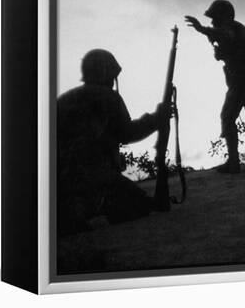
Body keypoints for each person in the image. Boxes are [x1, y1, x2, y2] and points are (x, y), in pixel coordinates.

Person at [57, 49, 169, 236]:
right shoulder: (108, 97)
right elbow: (127, 133)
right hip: (97, 179)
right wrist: (156, 119)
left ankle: (72, 212)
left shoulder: (63, 100)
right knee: (138, 206)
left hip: (58, 181)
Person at [185, 0, 245, 175]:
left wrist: (202, 29)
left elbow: (225, 36)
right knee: (243, 120)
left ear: (225, 17)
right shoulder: (229, 31)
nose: (213, 22)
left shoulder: (231, 29)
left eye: (215, 18)